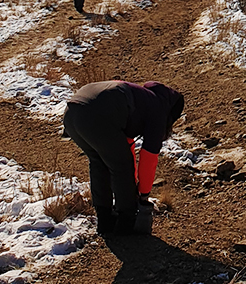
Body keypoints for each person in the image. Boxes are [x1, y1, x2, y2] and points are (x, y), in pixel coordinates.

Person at [62, 80, 185, 237]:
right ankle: (126, 224)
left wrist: (133, 184)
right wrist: (143, 196)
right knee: (121, 168)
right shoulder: (158, 108)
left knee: (99, 162)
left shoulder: (139, 97)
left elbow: (125, 147)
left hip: (72, 112)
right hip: (95, 116)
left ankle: (105, 220)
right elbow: (149, 158)